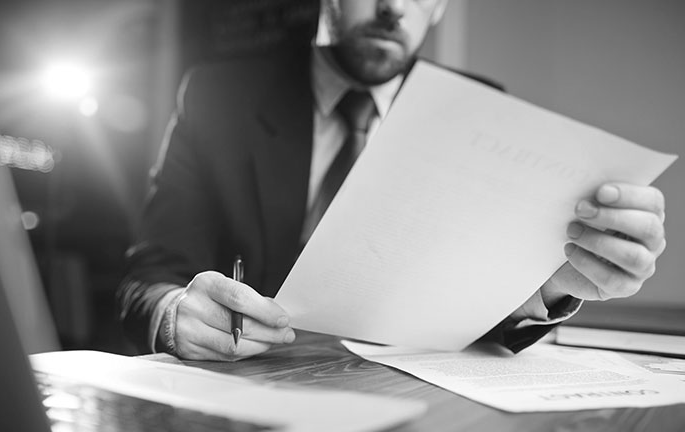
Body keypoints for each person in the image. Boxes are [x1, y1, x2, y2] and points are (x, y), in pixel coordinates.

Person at [118, 0, 667, 361]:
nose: (393, 7)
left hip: (410, 396)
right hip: (249, 382)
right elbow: (149, 275)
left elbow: (474, 303)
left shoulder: (480, 111)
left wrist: (554, 283)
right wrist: (172, 315)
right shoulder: (218, 96)